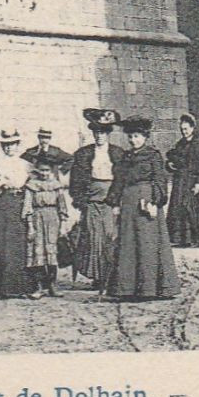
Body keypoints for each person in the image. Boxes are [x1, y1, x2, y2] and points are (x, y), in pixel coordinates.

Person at [106, 117, 181, 300]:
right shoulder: (125, 158)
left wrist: (155, 202)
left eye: (137, 136)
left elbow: (160, 180)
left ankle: (151, 289)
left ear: (145, 137)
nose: (133, 140)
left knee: (148, 243)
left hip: (146, 204)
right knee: (129, 244)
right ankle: (127, 288)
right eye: (131, 136)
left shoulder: (153, 155)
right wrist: (115, 203)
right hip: (128, 204)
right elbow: (119, 181)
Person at [68, 108, 123, 290]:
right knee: (93, 237)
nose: (100, 136)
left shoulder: (117, 153)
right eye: (97, 133)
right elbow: (76, 179)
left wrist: (117, 201)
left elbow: (122, 179)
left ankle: (110, 276)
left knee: (109, 236)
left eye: (103, 133)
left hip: (110, 200)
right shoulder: (84, 154)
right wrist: (80, 200)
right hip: (91, 200)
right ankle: (97, 276)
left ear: (108, 134)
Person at [0, 128, 33, 299]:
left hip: (20, 202)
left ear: (18, 145)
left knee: (18, 244)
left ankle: (18, 287)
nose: (9, 148)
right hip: (4, 202)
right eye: (5, 145)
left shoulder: (25, 164)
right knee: (1, 243)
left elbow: (30, 184)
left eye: (12, 144)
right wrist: (0, 180)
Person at [22, 160, 73, 298]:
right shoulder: (31, 186)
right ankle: (38, 287)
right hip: (37, 219)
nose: (44, 174)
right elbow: (28, 207)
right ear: (37, 171)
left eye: (47, 171)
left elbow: (62, 206)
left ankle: (52, 286)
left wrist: (63, 225)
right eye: (42, 170)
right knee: (37, 254)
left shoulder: (57, 186)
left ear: (51, 171)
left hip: (53, 219)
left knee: (52, 253)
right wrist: (30, 226)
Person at [165, 113, 199, 247]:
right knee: (180, 208)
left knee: (194, 208)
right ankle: (183, 239)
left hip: (192, 181)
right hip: (180, 182)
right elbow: (174, 160)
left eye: (186, 129)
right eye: (182, 129)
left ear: (192, 128)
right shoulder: (180, 144)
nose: (184, 132)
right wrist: (169, 165)